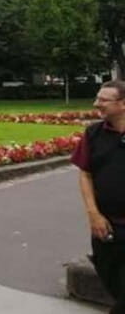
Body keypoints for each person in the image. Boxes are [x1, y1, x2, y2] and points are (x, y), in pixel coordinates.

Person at [71, 80, 125, 313]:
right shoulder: (93, 133)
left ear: (123, 104)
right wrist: (93, 214)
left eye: (103, 100)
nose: (96, 104)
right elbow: (86, 174)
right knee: (113, 283)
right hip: (107, 227)